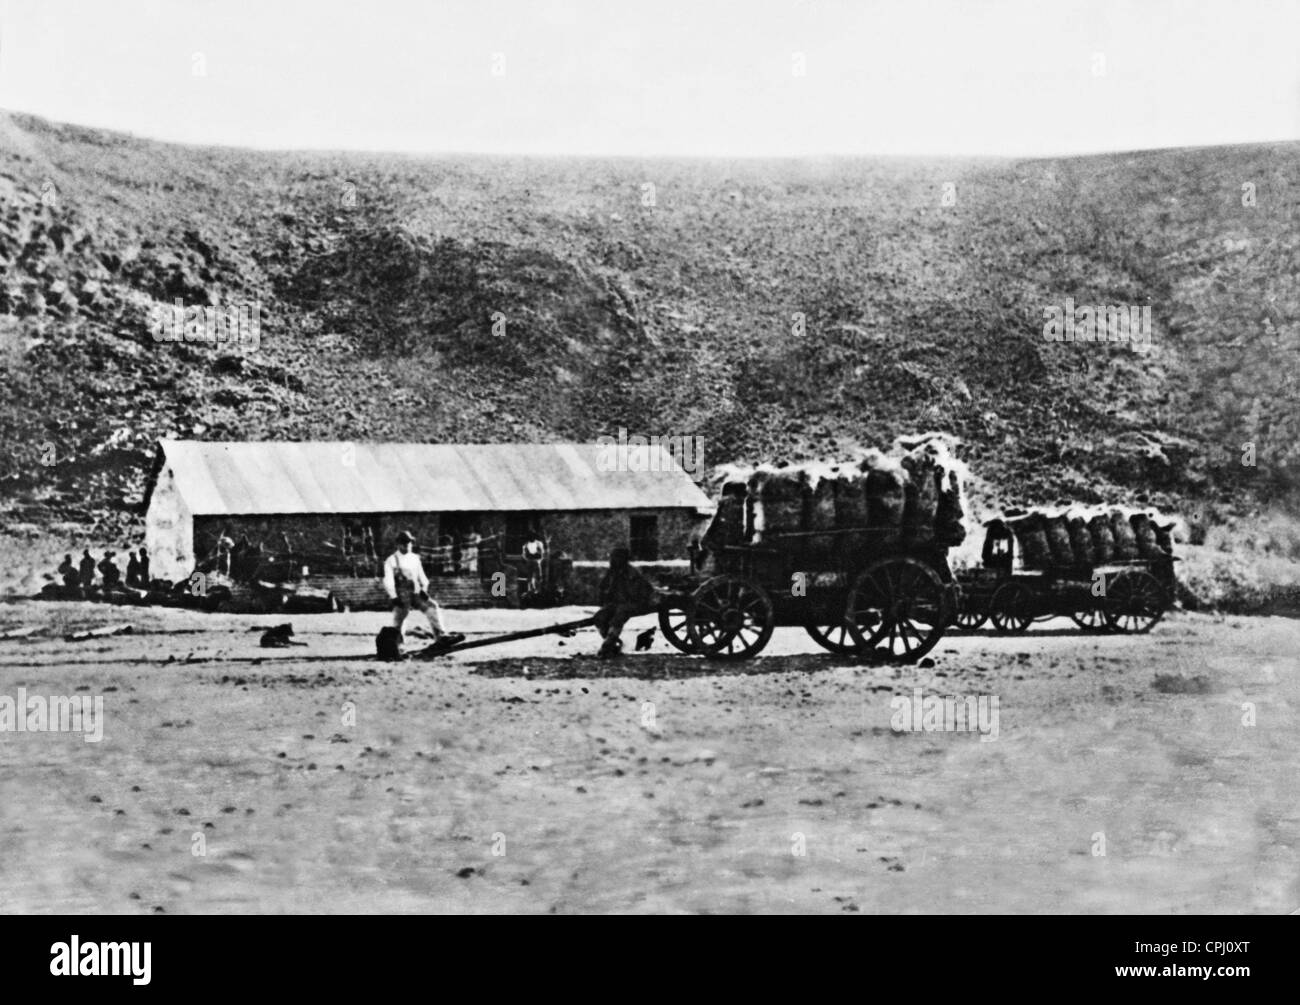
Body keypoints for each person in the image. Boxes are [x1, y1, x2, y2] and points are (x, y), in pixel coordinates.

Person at [383, 531, 463, 649]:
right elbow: (388, 580)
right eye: (404, 544)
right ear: (398, 544)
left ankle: (440, 637)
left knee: (432, 607)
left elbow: (422, 577)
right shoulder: (391, 560)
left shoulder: (415, 558)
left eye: (409, 543)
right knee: (399, 619)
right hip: (402, 594)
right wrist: (393, 597)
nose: (407, 546)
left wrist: (424, 589)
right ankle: (397, 645)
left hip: (416, 591)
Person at [594, 547, 659, 658]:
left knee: (619, 616)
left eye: (615, 558)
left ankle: (607, 645)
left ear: (622, 559)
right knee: (600, 617)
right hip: (618, 603)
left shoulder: (631, 573)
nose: (611, 561)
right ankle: (615, 642)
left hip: (635, 603)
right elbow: (604, 587)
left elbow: (639, 592)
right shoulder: (612, 572)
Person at [522, 531, 546, 598]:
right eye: (530, 536)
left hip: (537, 561)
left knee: (538, 576)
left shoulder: (539, 543)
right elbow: (524, 554)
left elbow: (542, 553)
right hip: (530, 561)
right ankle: (530, 590)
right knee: (529, 577)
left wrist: (539, 559)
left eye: (533, 536)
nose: (531, 538)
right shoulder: (526, 544)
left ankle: (538, 590)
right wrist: (527, 559)